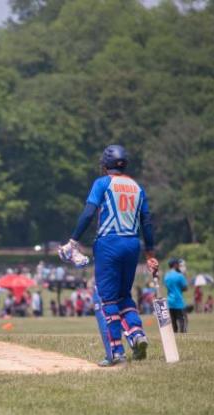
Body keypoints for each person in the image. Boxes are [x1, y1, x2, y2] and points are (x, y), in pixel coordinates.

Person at [59, 144, 158, 364]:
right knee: (124, 295)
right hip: (133, 244)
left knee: (106, 298)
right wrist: (150, 253)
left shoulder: (102, 183)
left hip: (108, 244)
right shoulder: (137, 187)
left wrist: (73, 240)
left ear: (105, 165)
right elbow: (147, 222)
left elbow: (88, 213)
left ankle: (116, 352)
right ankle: (136, 333)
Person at [164, 258, 189, 333]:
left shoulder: (166, 276)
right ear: (175, 265)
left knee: (173, 320)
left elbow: (167, 287)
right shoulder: (179, 276)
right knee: (182, 319)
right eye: (178, 264)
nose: (179, 266)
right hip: (179, 301)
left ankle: (174, 333)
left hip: (170, 301)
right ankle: (183, 333)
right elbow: (185, 288)